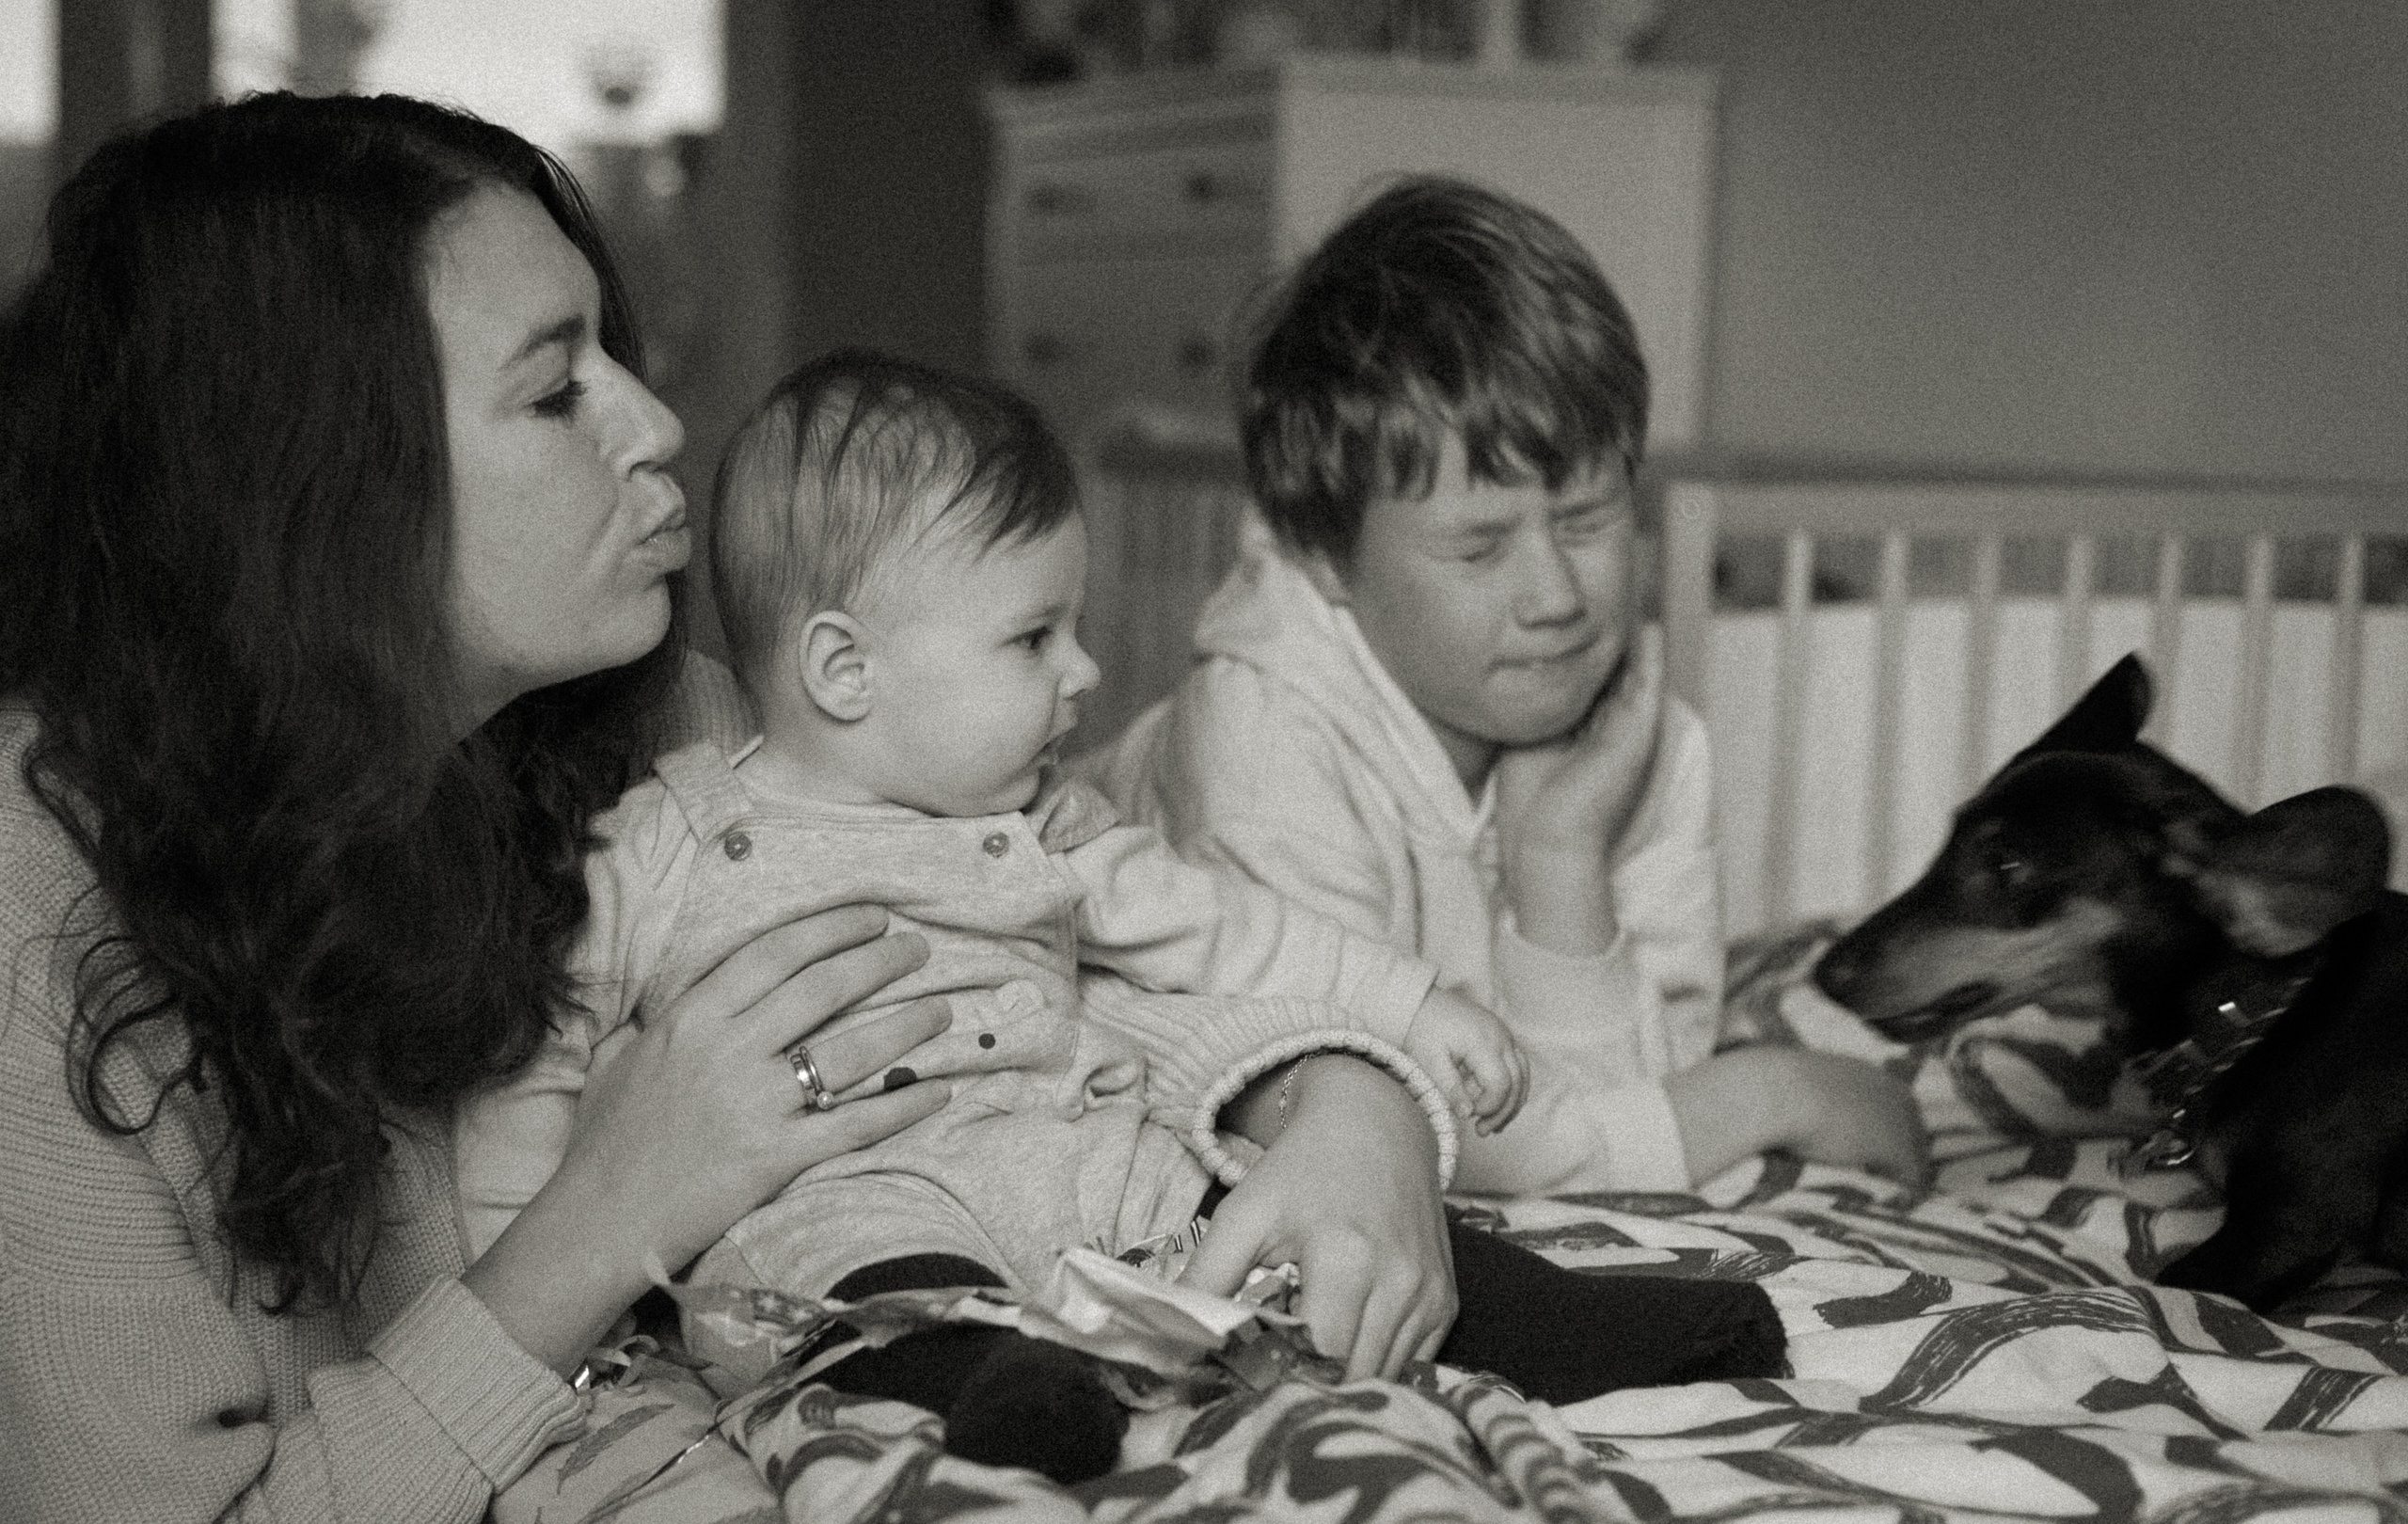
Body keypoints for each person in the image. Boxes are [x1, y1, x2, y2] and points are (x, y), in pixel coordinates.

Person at [0, 96, 1450, 1523]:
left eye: (616, 362)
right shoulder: (37, 932)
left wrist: (1349, 1105)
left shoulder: (673, 731)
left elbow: (1040, 964)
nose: (655, 424)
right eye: (556, 392)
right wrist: (609, 1211)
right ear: (311, 476)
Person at [456, 349, 1785, 1485]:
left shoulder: (1045, 825)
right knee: (863, 1287)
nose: (1086, 670)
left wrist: (1410, 1003)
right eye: (1033, 639)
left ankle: (1536, 1316)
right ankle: (1011, 1390)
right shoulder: (669, 843)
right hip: (852, 1191)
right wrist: (528, 1258)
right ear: (845, 670)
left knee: (1262, 1213)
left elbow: (1232, 936)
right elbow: (545, 1048)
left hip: (1080, 1155)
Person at [1095, 176, 1930, 1198]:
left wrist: (1559, 858)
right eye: (1480, 548)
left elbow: (1634, 1115)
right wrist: (1774, 1093)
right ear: (1323, 557)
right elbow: (1363, 1121)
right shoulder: (1261, 742)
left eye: (1588, 520)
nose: (1556, 597)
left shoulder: (1641, 734)